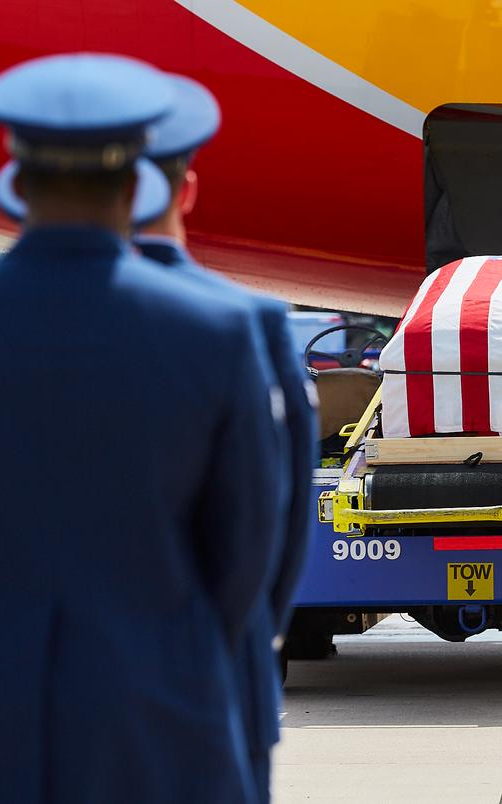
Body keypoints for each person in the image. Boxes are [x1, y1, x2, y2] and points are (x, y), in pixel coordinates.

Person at [0, 54, 285, 803]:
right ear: (135, 186)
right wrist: (177, 654)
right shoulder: (219, 335)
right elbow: (245, 548)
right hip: (164, 725)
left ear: (16, 183)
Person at [134, 74, 317, 803]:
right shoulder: (246, 329)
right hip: (203, 690)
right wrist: (239, 642)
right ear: (185, 191)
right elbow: (273, 529)